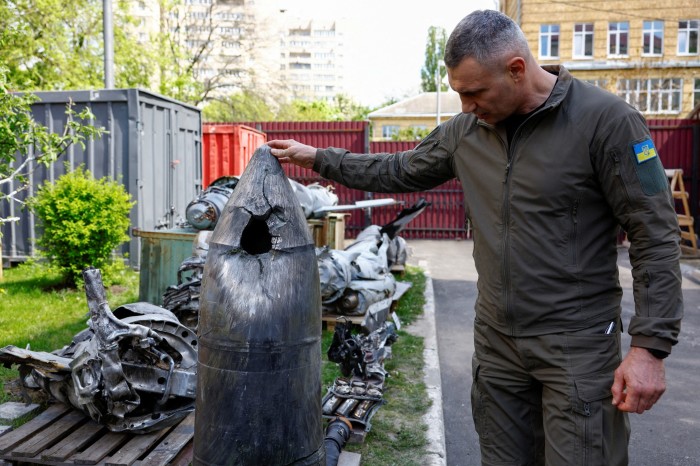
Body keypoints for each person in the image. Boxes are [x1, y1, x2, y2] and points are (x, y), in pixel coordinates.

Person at [269, 9, 683, 466]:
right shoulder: (467, 132)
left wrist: (649, 347)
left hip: (576, 348)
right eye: (459, 93)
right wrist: (317, 158)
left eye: (474, 92)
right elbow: (398, 168)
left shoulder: (606, 122)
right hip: (498, 346)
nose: (466, 105)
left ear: (517, 69)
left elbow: (655, 236)